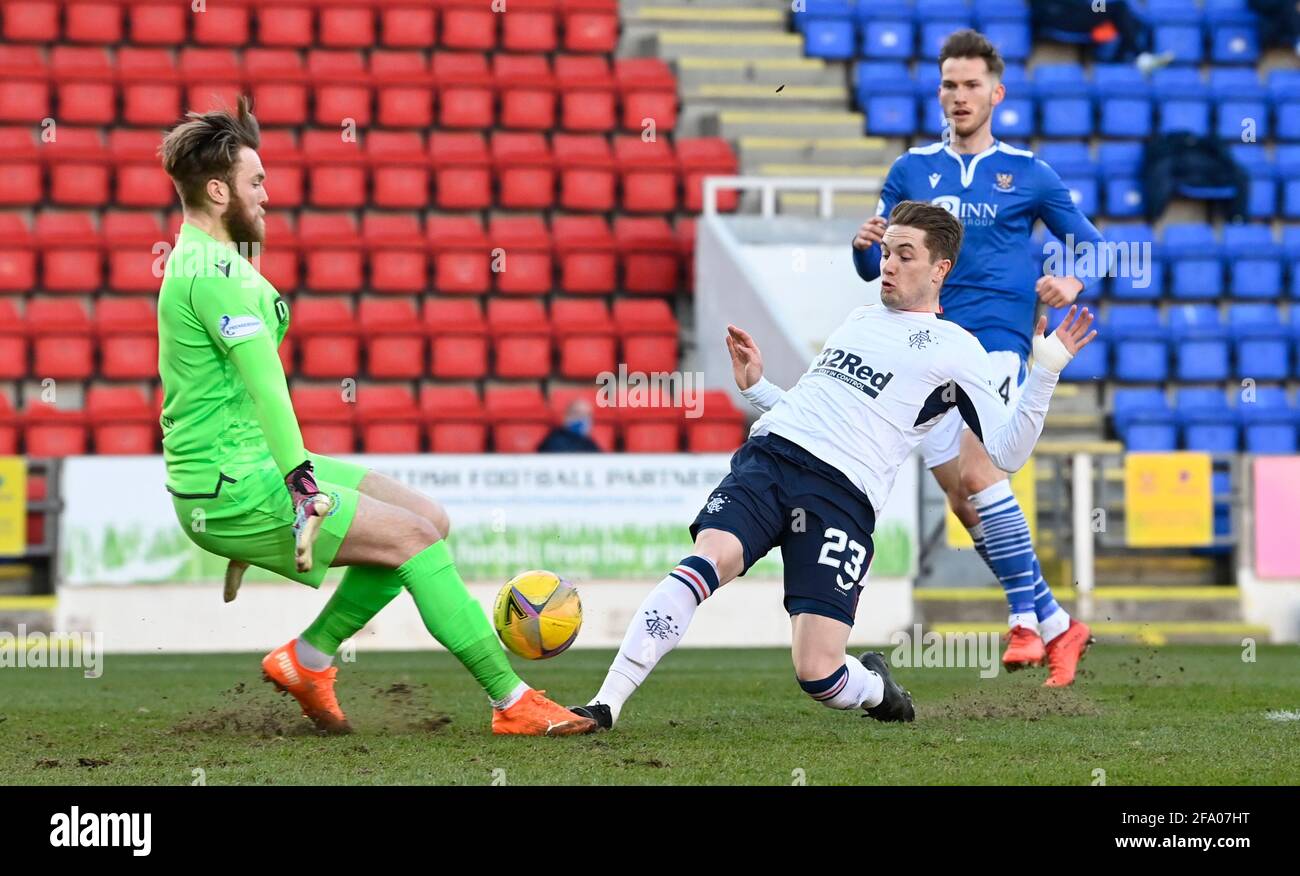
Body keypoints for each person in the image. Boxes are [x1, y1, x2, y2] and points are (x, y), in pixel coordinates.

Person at [156, 97, 594, 736]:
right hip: (232, 485)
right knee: (411, 541)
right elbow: (270, 389)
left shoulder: (206, 261)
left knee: (429, 521)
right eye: (256, 183)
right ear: (219, 191)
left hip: (235, 470)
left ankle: (307, 660)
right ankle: (512, 702)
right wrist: (300, 488)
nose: (267, 197)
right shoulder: (215, 273)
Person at [569, 201, 1097, 730]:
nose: (887, 265)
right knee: (709, 559)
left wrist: (1045, 370)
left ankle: (875, 689)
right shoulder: (860, 318)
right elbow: (812, 408)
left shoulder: (959, 349)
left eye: (904, 256)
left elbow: (1006, 453)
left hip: (842, 498)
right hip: (773, 458)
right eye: (886, 252)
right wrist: (758, 387)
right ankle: (605, 704)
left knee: (818, 673)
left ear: (940, 269)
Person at [852, 30, 1106, 686]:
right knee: (964, 503)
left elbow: (1094, 247)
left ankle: (1024, 618)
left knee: (978, 469)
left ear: (996, 93)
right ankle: (1057, 623)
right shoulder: (912, 170)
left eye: (970, 85)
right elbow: (872, 262)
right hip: (924, 343)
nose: (958, 96)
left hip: (995, 340)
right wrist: (862, 246)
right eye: (948, 84)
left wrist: (1072, 280)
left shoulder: (1028, 173)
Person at [537, 399, 602, 452]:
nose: (582, 418)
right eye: (577, 413)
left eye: (587, 415)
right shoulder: (554, 441)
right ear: (566, 416)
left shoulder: (589, 442)